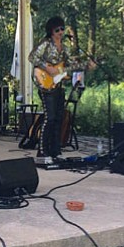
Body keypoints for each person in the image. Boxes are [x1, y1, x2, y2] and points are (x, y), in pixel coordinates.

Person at [28, 16, 92, 164]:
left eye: (62, 29)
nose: (61, 32)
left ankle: (55, 150)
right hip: (45, 83)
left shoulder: (65, 48)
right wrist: (47, 67)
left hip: (58, 86)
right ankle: (42, 150)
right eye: (57, 29)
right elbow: (32, 57)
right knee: (49, 118)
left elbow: (70, 65)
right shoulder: (45, 44)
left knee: (58, 119)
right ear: (51, 31)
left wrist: (87, 66)